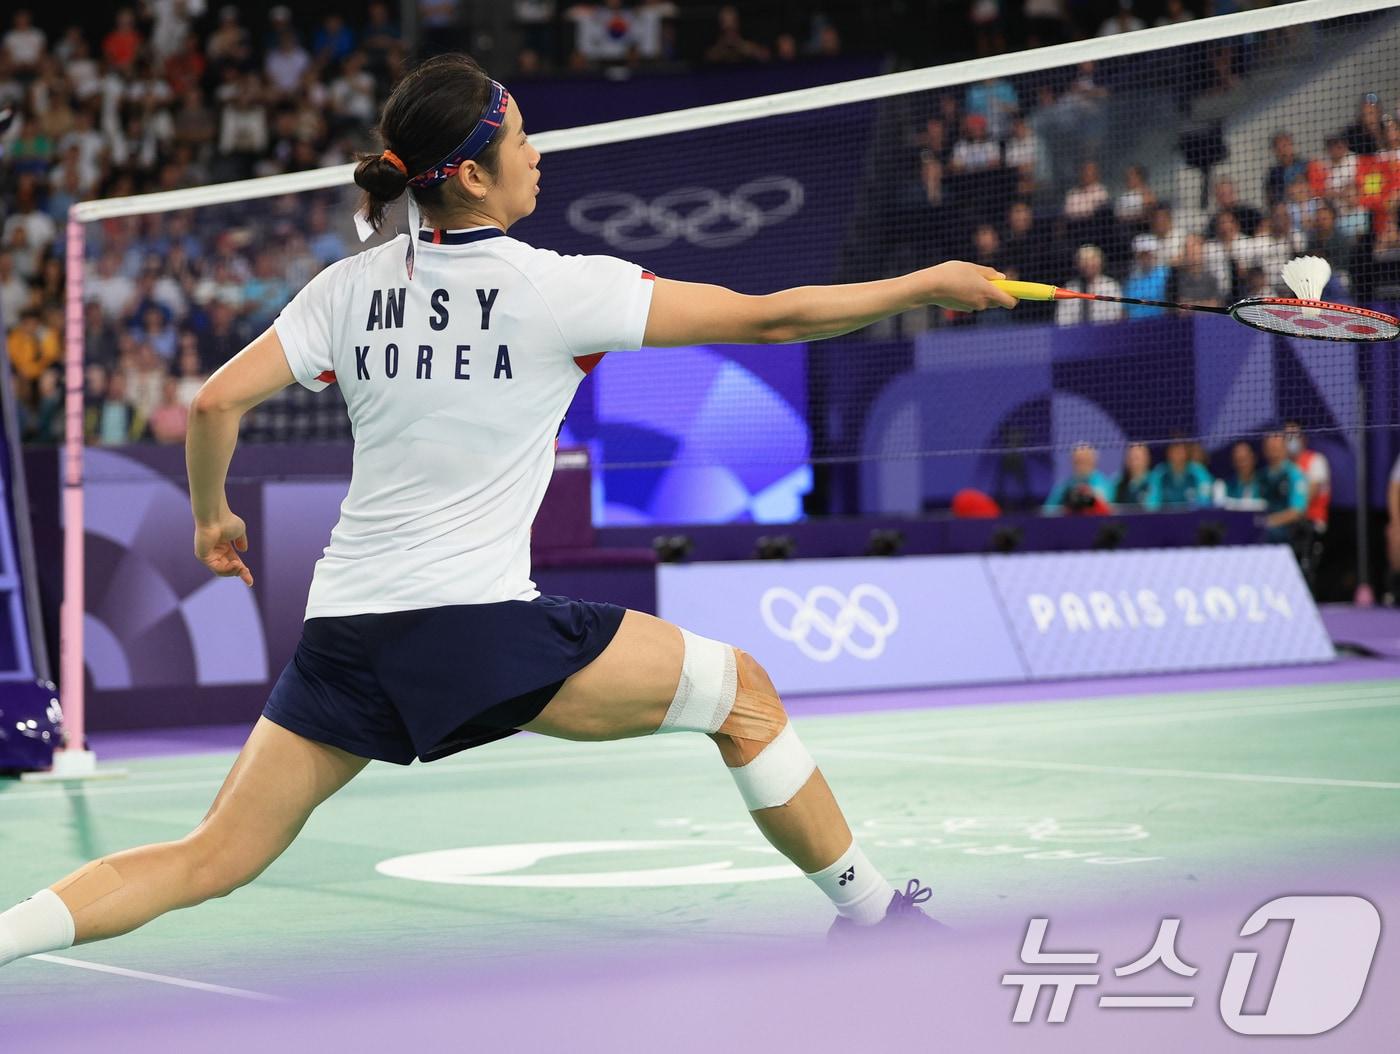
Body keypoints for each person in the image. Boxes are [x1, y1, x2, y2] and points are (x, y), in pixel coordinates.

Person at [0, 54, 1021, 971]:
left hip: (347, 633)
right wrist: (926, 282)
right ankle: (873, 917)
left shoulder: (344, 291)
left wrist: (209, 520)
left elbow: (215, 401)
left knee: (208, 857)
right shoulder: (558, 290)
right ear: (476, 175)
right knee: (743, 696)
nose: (541, 153)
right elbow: (770, 318)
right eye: (523, 137)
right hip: (471, 626)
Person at [1257, 430, 1310, 551]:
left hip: (1285, 532)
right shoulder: (1261, 476)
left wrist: (1268, 522)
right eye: (1269, 446)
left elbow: (1296, 512)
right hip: (1261, 526)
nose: (1272, 449)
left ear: (1285, 448)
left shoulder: (1295, 474)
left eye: (1276, 446)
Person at [1054, 244, 1122, 326]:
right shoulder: (1069, 288)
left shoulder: (1111, 286)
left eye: (1092, 259)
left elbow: (1117, 317)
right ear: (1077, 264)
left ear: (1101, 262)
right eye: (1084, 260)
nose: (1088, 264)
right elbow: (1061, 321)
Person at [1283, 420, 1329, 538]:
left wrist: (1288, 515)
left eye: (1294, 435)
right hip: (1286, 521)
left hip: (1311, 522)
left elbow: (1309, 495)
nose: (1290, 440)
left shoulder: (1316, 460)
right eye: (1287, 436)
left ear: (1303, 438)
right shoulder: (1283, 465)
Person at [1043, 443, 1111, 514]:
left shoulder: (1103, 484)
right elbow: (1047, 511)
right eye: (1078, 461)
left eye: (1086, 460)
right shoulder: (1064, 486)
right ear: (1072, 462)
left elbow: (1108, 508)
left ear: (1094, 461)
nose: (1082, 464)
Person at [1145, 439, 1213, 509]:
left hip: (1192, 516)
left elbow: (1205, 498)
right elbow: (1152, 501)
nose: (1177, 453)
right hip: (1165, 517)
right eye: (1174, 449)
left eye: (1180, 450)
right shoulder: (1160, 472)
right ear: (1168, 452)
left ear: (1186, 452)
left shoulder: (1198, 471)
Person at [1214, 440, 1264, 509]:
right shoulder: (1225, 485)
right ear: (1233, 463)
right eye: (1238, 460)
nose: (1242, 464)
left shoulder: (1265, 482)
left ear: (1254, 458)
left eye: (1245, 459)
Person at [1112, 443, 1152, 507]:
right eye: (1130, 457)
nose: (1133, 462)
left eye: (1137, 458)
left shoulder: (1155, 481)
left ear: (1147, 458)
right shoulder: (1119, 484)